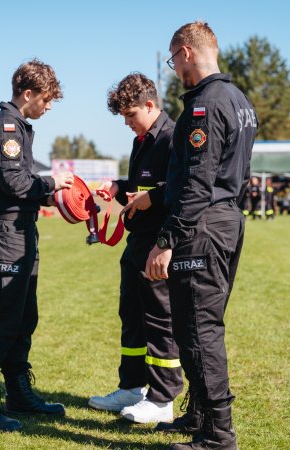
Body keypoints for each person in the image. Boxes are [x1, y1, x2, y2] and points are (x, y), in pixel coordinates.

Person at [145, 22, 258, 449]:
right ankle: (198, 416)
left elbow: (197, 182)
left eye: (174, 59)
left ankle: (218, 435)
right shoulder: (239, 99)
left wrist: (166, 240)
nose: (174, 69)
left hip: (202, 226)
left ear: (187, 52)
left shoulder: (205, 105)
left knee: (199, 330)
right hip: (225, 220)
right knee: (196, 325)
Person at [0, 59, 74, 432]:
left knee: (24, 316)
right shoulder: (6, 126)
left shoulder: (21, 127)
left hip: (21, 231)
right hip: (4, 234)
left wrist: (54, 198)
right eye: (45, 100)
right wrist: (50, 184)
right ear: (27, 93)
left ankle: (17, 392)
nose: (47, 107)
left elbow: (21, 187)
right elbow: (14, 184)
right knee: (0, 317)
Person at [88, 73, 183, 423]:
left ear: (150, 104)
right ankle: (131, 388)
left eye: (131, 115)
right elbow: (143, 184)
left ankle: (163, 398)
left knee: (160, 321)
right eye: (124, 117)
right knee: (131, 317)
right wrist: (117, 186)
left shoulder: (174, 137)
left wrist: (152, 199)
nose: (127, 123)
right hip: (136, 242)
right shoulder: (142, 139)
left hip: (160, 243)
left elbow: (183, 188)